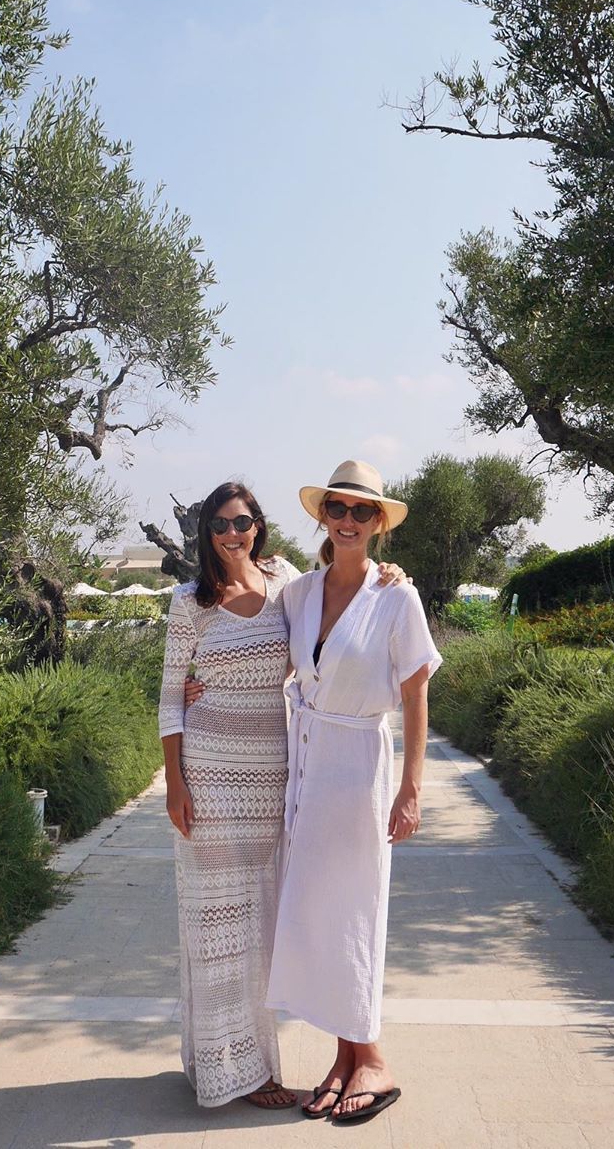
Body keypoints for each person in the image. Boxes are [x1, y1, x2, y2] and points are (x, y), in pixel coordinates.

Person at [158, 480, 404, 1110]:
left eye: (241, 522)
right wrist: (175, 781)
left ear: (258, 527)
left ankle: (252, 1060)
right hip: (209, 777)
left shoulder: (286, 584)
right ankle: (230, 1071)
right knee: (216, 925)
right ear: (206, 534)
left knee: (262, 927)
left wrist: (388, 576)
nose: (231, 534)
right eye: (219, 525)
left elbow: (336, 616)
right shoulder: (189, 602)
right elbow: (170, 697)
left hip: (276, 776)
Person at [265, 459, 441, 1124]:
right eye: (337, 508)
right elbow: (247, 630)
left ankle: (373, 1060)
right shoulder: (298, 592)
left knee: (357, 911)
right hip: (307, 769)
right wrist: (196, 682)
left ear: (378, 524)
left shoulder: (396, 597)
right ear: (323, 515)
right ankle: (345, 1060)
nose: (347, 520)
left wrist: (412, 789)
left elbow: (416, 695)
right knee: (324, 914)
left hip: (360, 767)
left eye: (361, 511)